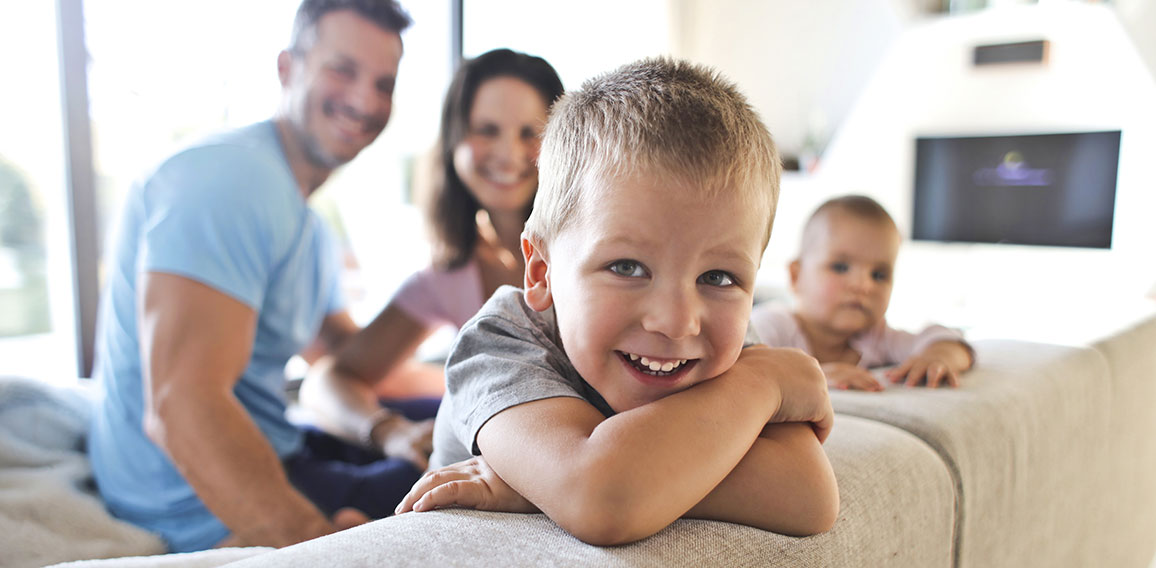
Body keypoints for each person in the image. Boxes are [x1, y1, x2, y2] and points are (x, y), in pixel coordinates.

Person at [395, 57, 840, 545]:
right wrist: (765, 383)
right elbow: (600, 499)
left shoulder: (716, 341)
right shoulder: (498, 344)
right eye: (627, 268)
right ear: (541, 271)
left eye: (717, 275)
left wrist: (546, 489)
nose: (676, 321)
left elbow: (809, 494)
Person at [87, 0, 434, 553]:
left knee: (458, 425)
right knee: (479, 477)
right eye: (342, 69)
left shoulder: (304, 221)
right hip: (188, 497)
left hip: (277, 444)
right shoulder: (232, 181)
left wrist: (440, 320)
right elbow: (182, 403)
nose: (365, 100)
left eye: (384, 83)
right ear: (287, 68)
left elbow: (341, 354)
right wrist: (311, 540)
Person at [302, 48, 564, 402]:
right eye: (487, 130)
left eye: (530, 133)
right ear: (454, 140)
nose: (508, 153)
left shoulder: (595, 247)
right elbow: (329, 381)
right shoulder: (448, 278)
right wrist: (387, 430)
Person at [750, 195, 974, 392]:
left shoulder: (877, 337)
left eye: (878, 275)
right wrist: (813, 377)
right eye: (840, 267)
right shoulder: (772, 326)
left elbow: (947, 339)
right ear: (796, 276)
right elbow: (745, 371)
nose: (863, 286)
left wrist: (937, 357)